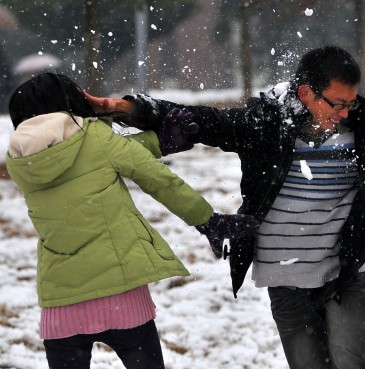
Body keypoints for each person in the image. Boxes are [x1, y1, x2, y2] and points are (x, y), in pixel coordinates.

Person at [87, 46, 365, 369]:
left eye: (350, 103)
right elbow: (204, 121)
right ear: (306, 92)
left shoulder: (362, 126)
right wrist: (130, 108)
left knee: (351, 361)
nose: (343, 113)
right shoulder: (266, 124)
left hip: (343, 273)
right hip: (284, 276)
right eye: (336, 103)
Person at [5, 73, 258, 369]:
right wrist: (208, 221)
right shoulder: (95, 136)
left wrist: (156, 141)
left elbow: (90, 159)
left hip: (61, 303)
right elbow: (157, 179)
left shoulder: (20, 160)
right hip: (119, 291)